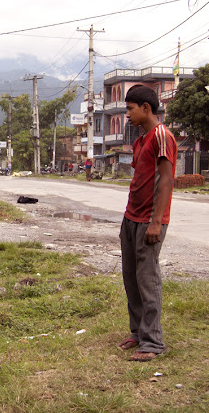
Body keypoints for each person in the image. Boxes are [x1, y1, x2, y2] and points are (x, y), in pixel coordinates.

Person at [117, 85, 177, 362]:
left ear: (146, 108)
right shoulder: (140, 141)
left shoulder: (162, 136)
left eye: (130, 108)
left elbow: (166, 180)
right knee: (131, 279)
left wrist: (155, 222)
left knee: (147, 279)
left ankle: (153, 342)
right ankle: (138, 333)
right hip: (131, 217)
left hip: (149, 221)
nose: (127, 114)